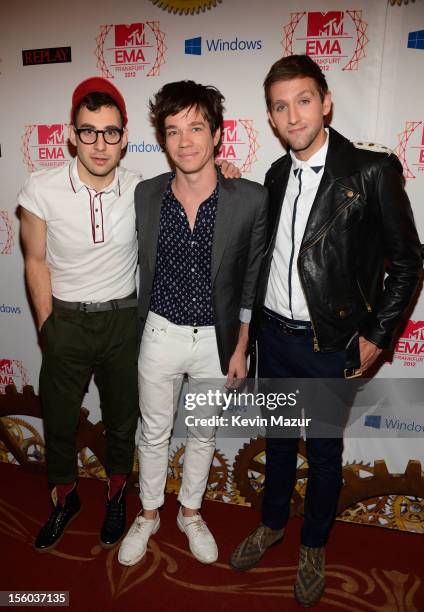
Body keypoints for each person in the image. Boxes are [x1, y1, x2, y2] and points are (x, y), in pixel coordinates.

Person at [230, 55, 422, 607]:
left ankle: (313, 543)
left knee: (325, 453)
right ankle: (271, 525)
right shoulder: (273, 174)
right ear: (270, 115)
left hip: (327, 344)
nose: (293, 115)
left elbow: (407, 261)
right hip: (274, 338)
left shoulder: (369, 171)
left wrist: (378, 335)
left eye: (304, 100)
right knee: (281, 442)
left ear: (327, 101)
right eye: (280, 105)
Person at [19, 76, 241, 553]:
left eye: (112, 132)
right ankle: (65, 498)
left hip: (125, 323)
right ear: (70, 134)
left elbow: (206, 192)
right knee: (58, 420)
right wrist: (46, 328)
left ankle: (119, 496)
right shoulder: (41, 187)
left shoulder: (141, 189)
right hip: (66, 322)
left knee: (126, 421)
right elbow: (34, 260)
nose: (100, 144)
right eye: (89, 131)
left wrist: (229, 178)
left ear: (125, 137)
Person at [118, 80, 268, 567]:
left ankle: (190, 512)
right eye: (173, 130)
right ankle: (148, 513)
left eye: (196, 128)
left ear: (218, 134)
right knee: (154, 431)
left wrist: (241, 346)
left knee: (202, 433)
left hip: (215, 343)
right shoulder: (145, 194)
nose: (185, 141)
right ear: (161, 140)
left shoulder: (248, 198)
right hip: (159, 333)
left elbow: (251, 282)